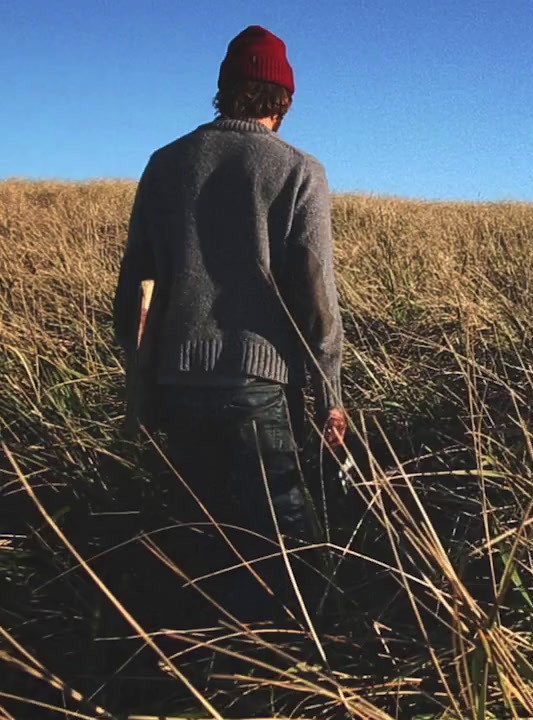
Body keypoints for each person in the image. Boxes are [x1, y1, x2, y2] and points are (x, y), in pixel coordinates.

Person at [112, 25, 346, 623]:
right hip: (257, 387)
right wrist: (330, 395)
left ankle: (192, 657)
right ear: (284, 99)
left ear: (224, 90)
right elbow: (316, 295)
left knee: (202, 535)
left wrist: (141, 384)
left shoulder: (164, 164)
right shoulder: (298, 170)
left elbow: (133, 284)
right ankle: (292, 669)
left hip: (174, 384)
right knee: (291, 547)